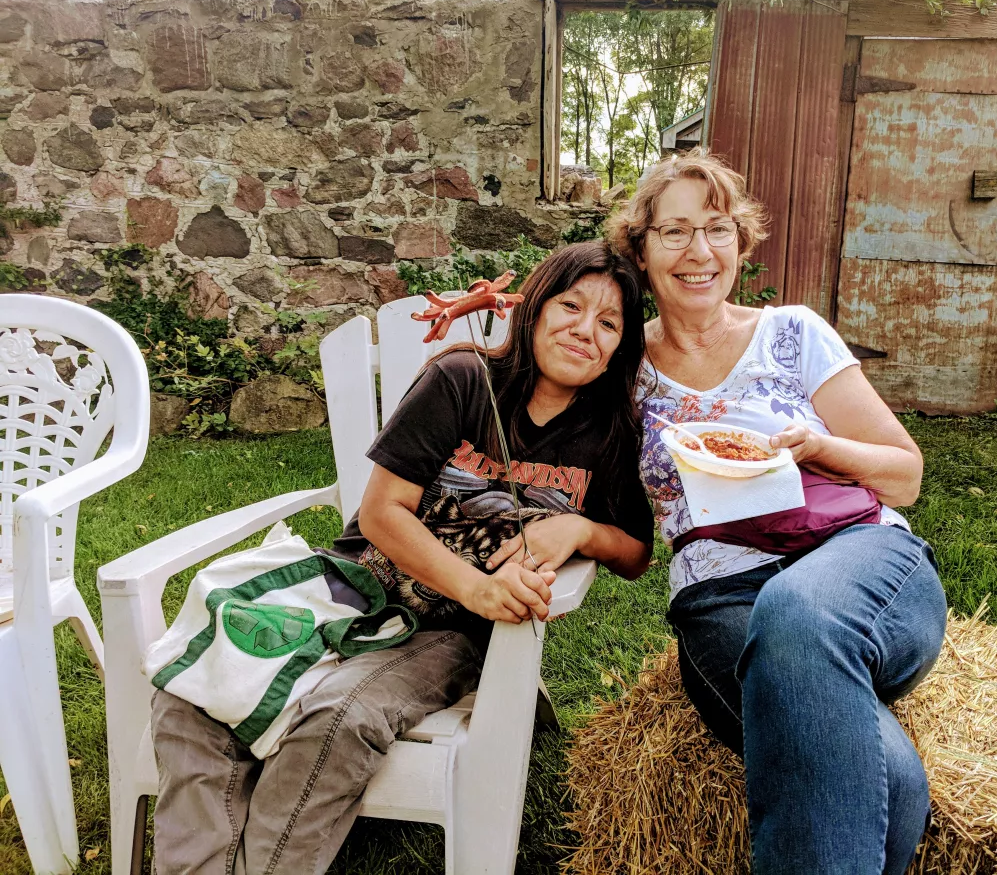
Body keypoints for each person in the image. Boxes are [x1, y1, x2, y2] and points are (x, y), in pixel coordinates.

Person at [149, 240, 655, 875]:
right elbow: (384, 512)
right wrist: (475, 584)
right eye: (570, 305)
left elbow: (635, 553)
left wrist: (581, 528)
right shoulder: (463, 378)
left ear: (620, 348)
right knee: (199, 689)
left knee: (338, 717)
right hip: (355, 583)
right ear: (533, 309)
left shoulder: (607, 430)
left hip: (446, 631)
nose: (585, 330)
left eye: (609, 323)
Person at [606, 150, 947, 875]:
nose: (700, 251)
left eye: (719, 229)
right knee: (894, 780)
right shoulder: (623, 371)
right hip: (722, 593)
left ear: (740, 243)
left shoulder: (793, 333)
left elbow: (907, 475)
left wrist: (820, 445)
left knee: (795, 607)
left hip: (859, 562)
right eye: (674, 232)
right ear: (640, 248)